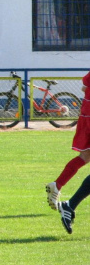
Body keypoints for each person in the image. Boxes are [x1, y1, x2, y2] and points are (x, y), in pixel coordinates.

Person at [47, 71, 90, 214]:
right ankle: (70, 206)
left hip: (86, 115)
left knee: (84, 157)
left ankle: (57, 185)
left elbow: (84, 87)